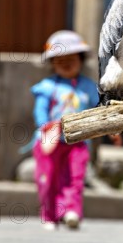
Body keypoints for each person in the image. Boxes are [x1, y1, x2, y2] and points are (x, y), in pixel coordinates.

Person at [31, 30, 99, 230]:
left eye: (71, 58)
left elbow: (99, 110)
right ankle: (49, 214)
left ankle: (71, 211)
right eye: (61, 60)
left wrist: (112, 132)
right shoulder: (47, 87)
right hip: (49, 143)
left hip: (77, 143)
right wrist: (45, 126)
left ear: (81, 59)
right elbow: (40, 110)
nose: (67, 63)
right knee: (48, 179)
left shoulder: (89, 88)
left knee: (74, 177)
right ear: (52, 62)